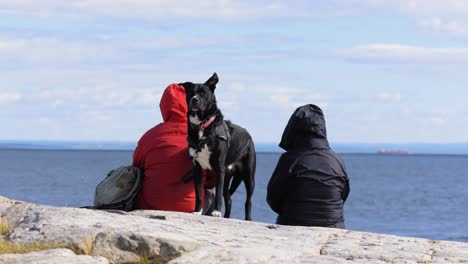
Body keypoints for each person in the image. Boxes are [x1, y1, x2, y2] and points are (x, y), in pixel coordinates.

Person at [132, 83, 214, 213]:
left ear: (164, 107)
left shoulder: (150, 136)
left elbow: (136, 166)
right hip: (191, 208)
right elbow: (212, 177)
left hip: (150, 206)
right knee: (213, 188)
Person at [267, 104, 350, 228]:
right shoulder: (337, 160)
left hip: (293, 223)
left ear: (294, 129)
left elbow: (273, 199)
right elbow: (343, 194)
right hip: (334, 226)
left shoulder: (289, 159)